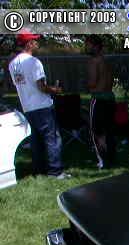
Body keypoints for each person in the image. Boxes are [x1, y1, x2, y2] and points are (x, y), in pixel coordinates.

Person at [8, 30, 68, 179]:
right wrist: (55, 90)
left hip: (27, 107)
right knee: (52, 138)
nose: (37, 43)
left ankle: (38, 169)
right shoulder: (34, 62)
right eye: (34, 40)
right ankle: (55, 171)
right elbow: (41, 87)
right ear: (28, 44)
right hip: (42, 106)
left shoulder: (13, 64)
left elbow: (20, 84)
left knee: (36, 140)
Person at [85, 34, 115, 169]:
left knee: (96, 131)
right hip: (110, 98)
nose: (86, 47)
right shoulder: (106, 61)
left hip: (98, 99)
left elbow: (92, 83)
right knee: (108, 130)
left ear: (96, 46)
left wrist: (87, 84)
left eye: (88, 45)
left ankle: (102, 160)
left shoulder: (94, 61)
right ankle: (111, 158)